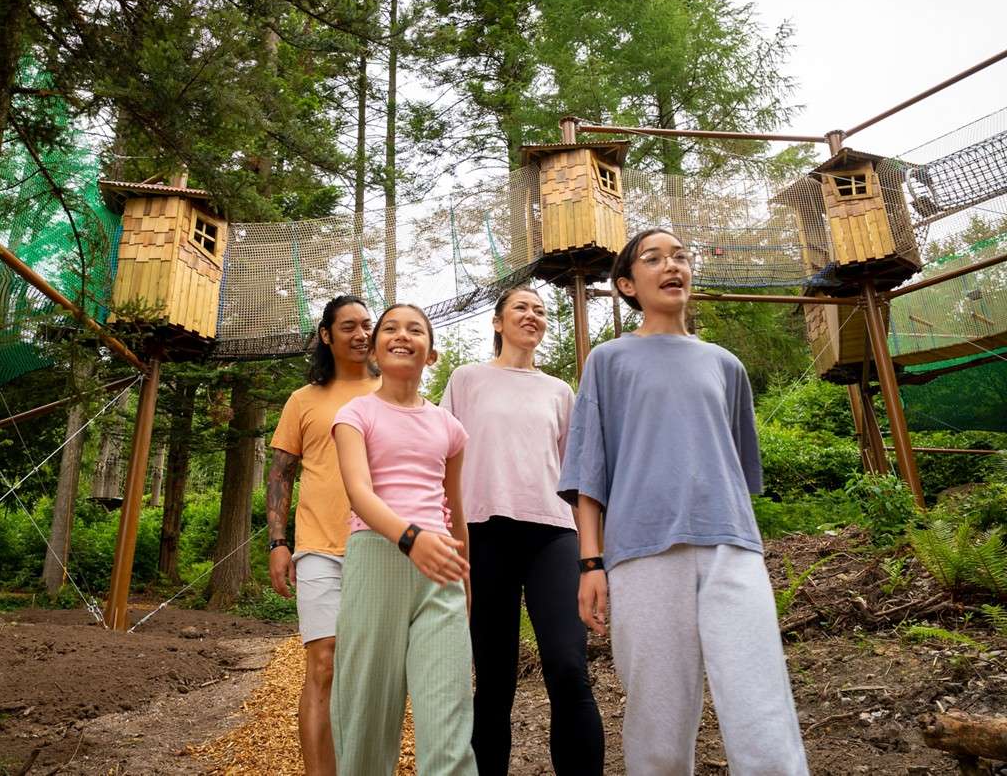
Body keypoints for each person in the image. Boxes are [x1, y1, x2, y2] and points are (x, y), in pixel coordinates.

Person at [558, 228, 809, 775]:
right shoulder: (608, 361)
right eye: (653, 259)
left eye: (680, 256)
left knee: (761, 702)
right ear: (627, 284)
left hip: (731, 546)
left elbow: (734, 467)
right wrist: (591, 564)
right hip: (641, 553)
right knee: (657, 718)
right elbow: (588, 473)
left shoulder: (726, 365)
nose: (671, 266)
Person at [440, 285, 604, 775]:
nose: (532, 315)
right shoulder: (466, 380)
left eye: (540, 310)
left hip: (553, 534)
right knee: (494, 680)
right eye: (520, 308)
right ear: (498, 322)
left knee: (568, 667)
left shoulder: (559, 391)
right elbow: (442, 460)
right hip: (483, 535)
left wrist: (593, 556)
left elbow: (576, 477)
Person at [330, 303, 477, 775]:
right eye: (390, 328)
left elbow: (455, 512)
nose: (402, 335)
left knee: (449, 719)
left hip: (442, 570)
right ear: (374, 351)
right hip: (377, 558)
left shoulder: (450, 427)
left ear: (430, 353)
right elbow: (359, 494)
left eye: (416, 330)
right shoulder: (355, 414)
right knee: (367, 716)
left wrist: (465, 584)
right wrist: (411, 538)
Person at [267, 295, 378, 776]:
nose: (361, 334)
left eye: (367, 324)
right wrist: (278, 543)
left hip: (381, 549)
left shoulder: (392, 391)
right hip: (318, 548)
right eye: (349, 326)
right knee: (324, 663)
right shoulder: (303, 400)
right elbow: (280, 474)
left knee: (370, 671)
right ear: (327, 336)